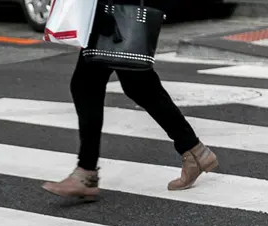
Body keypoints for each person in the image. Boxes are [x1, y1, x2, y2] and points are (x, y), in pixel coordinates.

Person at [42, 0, 218, 200]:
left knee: (92, 85)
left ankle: (86, 174)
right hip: (114, 8)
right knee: (134, 86)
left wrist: (104, 11)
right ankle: (195, 151)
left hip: (117, 9)